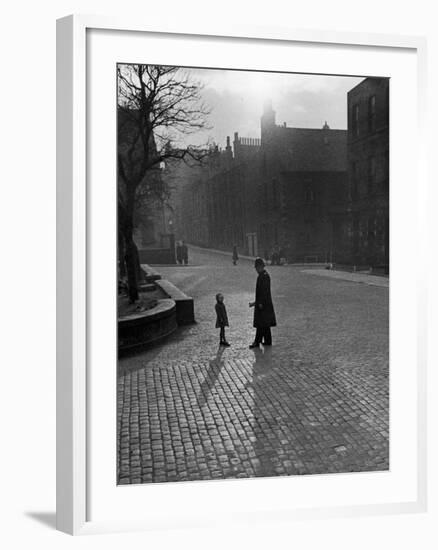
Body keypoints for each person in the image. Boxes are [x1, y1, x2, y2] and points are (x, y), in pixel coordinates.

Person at [249, 257, 276, 348]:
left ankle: (257, 341)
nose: (256, 269)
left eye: (257, 267)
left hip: (263, 304)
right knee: (265, 324)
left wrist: (260, 303)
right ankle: (267, 340)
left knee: (261, 323)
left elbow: (264, 291)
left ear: (260, 267)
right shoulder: (264, 275)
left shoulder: (263, 276)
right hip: (265, 303)